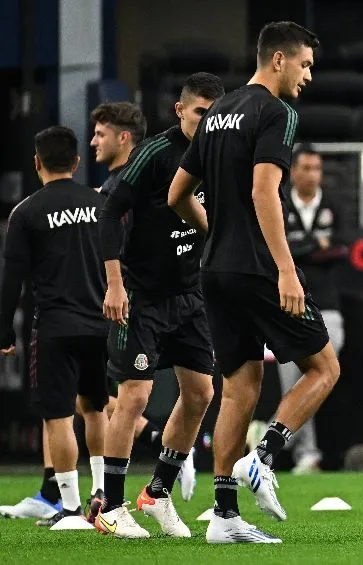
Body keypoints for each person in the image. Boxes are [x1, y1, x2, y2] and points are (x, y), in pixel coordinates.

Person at [168, 21, 337, 544]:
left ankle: (223, 516)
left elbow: (176, 194)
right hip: (260, 266)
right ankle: (261, 457)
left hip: (214, 270)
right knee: (324, 368)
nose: (308, 75)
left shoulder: (216, 111)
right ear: (279, 59)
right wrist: (285, 267)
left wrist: (216, 232)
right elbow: (266, 191)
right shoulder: (277, 112)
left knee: (240, 387)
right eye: (305, 64)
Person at [93, 73, 224, 540]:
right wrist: (114, 284)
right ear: (180, 111)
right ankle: (109, 505)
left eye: (214, 115)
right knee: (135, 395)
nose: (206, 123)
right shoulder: (155, 154)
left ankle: (158, 494)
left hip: (189, 296)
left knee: (202, 394)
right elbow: (109, 213)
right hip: (140, 295)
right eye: (199, 114)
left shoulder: (222, 155)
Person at [0, 126, 110, 529]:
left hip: (55, 325)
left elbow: (11, 278)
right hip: (100, 322)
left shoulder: (26, 212)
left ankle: (69, 507)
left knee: (59, 415)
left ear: (37, 163)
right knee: (97, 408)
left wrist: (2, 331)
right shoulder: (100, 205)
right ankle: (103, 494)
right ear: (77, 162)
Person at [251, 144, 347, 475]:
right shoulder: (279, 201)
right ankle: (297, 450)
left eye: (316, 169)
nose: (311, 174)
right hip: (287, 303)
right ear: (294, 170)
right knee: (297, 380)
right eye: (305, 168)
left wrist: (299, 251)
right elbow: (280, 246)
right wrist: (314, 248)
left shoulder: (333, 205)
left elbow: (343, 249)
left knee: (319, 374)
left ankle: (275, 444)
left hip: (327, 305)